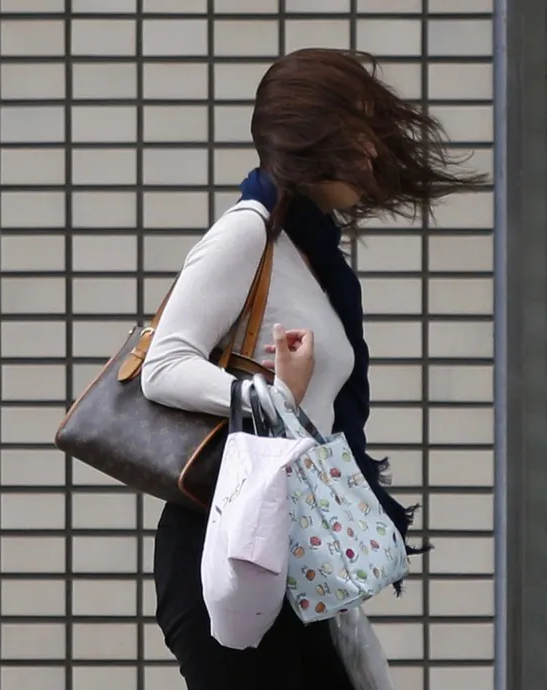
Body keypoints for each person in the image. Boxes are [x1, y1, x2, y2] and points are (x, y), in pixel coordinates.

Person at [139, 48, 486, 689]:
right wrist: (272, 396)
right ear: (311, 137)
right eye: (359, 136)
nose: (376, 155)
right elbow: (162, 366)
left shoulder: (308, 252)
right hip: (230, 547)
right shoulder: (246, 233)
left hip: (295, 550)